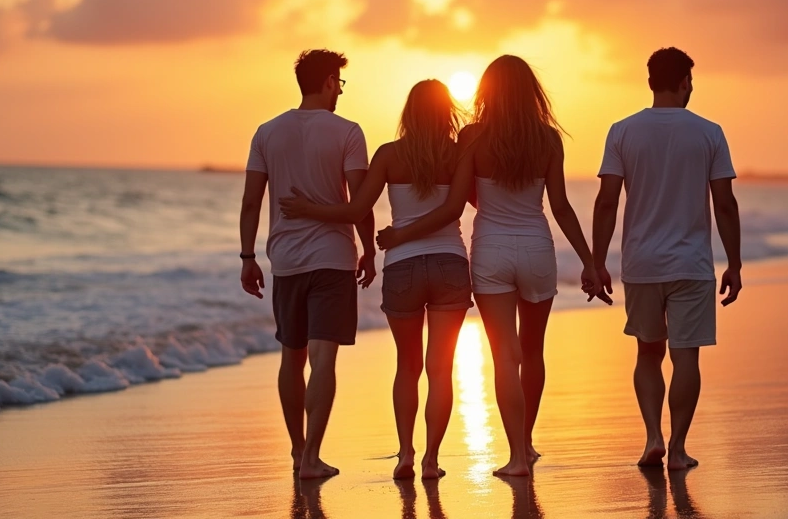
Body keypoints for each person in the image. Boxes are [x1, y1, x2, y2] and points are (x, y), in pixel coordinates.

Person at [377, 55, 603, 478]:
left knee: (505, 356)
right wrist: (590, 261)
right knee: (532, 352)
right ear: (530, 91)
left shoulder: (474, 136)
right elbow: (561, 207)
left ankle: (515, 455)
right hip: (537, 248)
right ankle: (527, 444)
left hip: (490, 250)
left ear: (487, 92)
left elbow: (458, 199)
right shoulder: (549, 139)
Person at [279, 80, 472, 480]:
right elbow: (455, 209)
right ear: (446, 111)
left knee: (407, 365)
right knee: (440, 368)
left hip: (402, 268)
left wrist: (306, 208)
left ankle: (405, 453)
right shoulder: (457, 155)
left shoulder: (388, 154)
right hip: (449, 265)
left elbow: (354, 211)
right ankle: (431, 460)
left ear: (409, 111)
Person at [591, 47, 742, 471]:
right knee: (686, 357)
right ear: (683, 83)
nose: (691, 88)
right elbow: (725, 205)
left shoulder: (622, 131)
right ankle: (676, 449)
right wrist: (735, 262)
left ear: (650, 81)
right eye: (690, 82)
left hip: (641, 264)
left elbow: (606, 203)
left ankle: (652, 438)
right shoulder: (709, 132)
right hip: (692, 265)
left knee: (647, 353)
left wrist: (596, 262)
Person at [239, 49, 376, 479]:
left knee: (291, 356)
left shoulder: (266, 132)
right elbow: (362, 202)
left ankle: (299, 451)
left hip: (285, 260)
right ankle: (313, 457)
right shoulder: (348, 132)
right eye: (339, 82)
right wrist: (369, 249)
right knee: (323, 359)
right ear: (327, 81)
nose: (339, 91)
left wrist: (247, 257)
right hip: (333, 259)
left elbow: (250, 204)